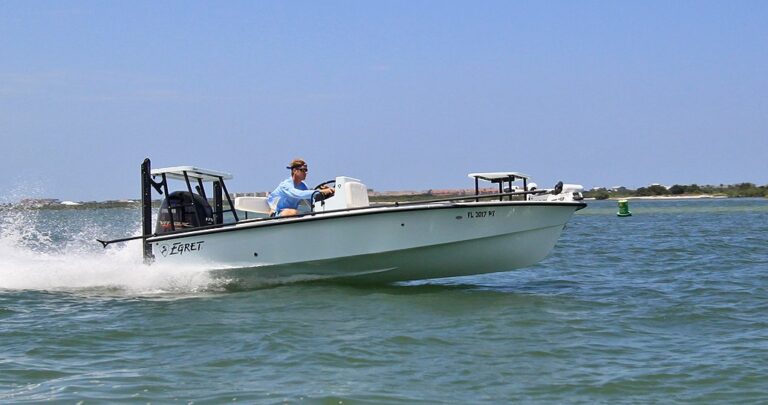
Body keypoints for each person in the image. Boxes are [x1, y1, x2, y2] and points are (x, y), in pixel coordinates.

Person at [267, 158, 334, 217]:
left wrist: (326, 193)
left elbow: (311, 200)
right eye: (303, 170)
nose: (305, 173)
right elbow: (299, 194)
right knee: (293, 212)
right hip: (277, 213)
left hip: (291, 213)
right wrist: (320, 191)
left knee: (305, 213)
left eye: (306, 170)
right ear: (294, 171)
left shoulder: (303, 186)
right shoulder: (285, 185)